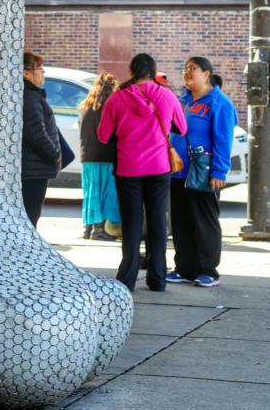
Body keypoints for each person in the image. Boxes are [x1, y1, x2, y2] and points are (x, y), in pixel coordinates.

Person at [98, 53, 188, 292]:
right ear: (152, 71)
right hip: (159, 168)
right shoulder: (167, 95)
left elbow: (103, 135)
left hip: (128, 169)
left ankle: (127, 279)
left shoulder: (117, 98)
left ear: (131, 72)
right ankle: (157, 280)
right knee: (158, 221)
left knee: (131, 223)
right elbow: (182, 127)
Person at [166, 57, 238, 288]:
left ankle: (208, 271)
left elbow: (224, 139)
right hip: (178, 172)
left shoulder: (219, 102)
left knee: (204, 221)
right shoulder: (183, 101)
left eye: (192, 69)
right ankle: (184, 269)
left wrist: (219, 171)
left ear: (206, 73)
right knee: (181, 221)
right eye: (185, 69)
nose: (186, 73)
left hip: (204, 172)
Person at [78, 73, 121, 241]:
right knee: (107, 194)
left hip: (88, 157)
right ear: (112, 87)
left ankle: (88, 229)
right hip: (107, 156)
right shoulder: (110, 105)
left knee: (91, 193)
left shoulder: (85, 105)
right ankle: (100, 230)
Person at [21, 50, 61, 228]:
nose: (43, 72)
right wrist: (54, 155)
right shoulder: (30, 96)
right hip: (33, 169)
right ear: (26, 73)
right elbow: (36, 133)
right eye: (39, 68)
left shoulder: (32, 94)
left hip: (33, 167)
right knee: (31, 217)